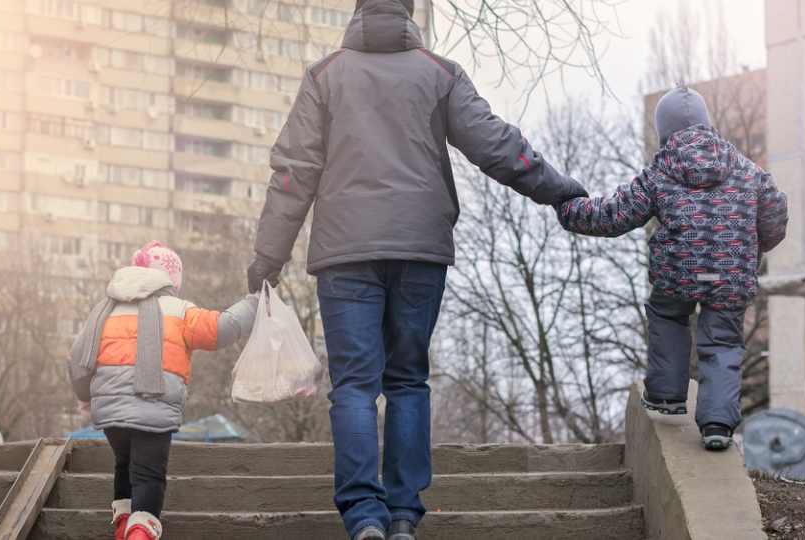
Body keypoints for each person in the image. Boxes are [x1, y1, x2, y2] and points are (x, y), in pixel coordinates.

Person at [245, 0, 587, 537]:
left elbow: (294, 172)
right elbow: (495, 145)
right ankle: (403, 514)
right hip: (420, 249)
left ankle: (364, 517)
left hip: (345, 252)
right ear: (409, 14)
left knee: (355, 386)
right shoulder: (440, 73)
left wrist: (269, 256)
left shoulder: (325, 75)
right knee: (407, 380)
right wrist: (559, 191)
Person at [556, 85, 789, 451]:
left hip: (680, 271)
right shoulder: (747, 169)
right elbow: (776, 216)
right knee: (724, 341)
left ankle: (666, 395)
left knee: (668, 314)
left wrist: (569, 210)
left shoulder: (661, 171)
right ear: (707, 125)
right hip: (731, 274)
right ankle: (717, 424)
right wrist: (755, 248)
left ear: (665, 132)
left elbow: (616, 215)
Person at [67, 241, 259, 540]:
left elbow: (77, 361)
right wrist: (254, 303)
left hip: (110, 417)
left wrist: (85, 400)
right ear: (171, 281)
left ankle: (123, 527)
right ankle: (139, 533)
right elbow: (223, 327)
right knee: (147, 476)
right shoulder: (180, 311)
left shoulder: (103, 312)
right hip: (153, 411)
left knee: (124, 464)